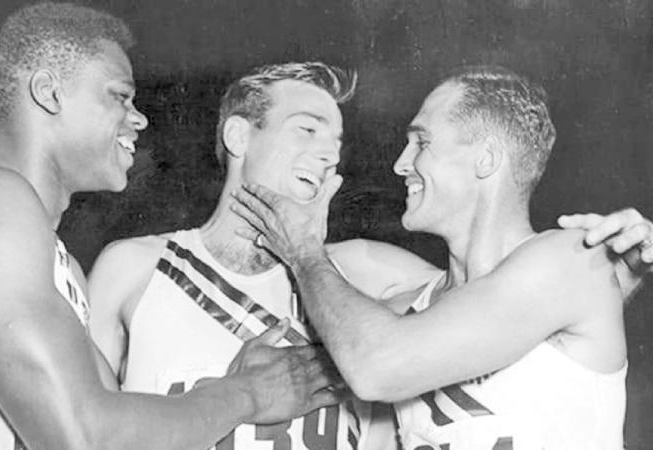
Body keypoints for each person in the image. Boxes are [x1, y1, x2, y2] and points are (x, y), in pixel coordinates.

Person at [0, 4, 340, 449]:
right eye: (119, 96)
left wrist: (227, 388)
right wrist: (244, 396)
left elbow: (122, 425)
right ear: (49, 92)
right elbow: (84, 436)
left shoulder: (50, 260)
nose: (140, 119)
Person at [231, 65, 653, 449]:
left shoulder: (570, 258)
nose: (400, 164)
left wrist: (303, 249)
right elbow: (337, 349)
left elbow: (378, 365)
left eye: (422, 142)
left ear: (485, 159)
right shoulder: (407, 311)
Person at [88, 62, 404, 449]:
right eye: (307, 129)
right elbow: (81, 433)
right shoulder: (134, 268)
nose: (328, 155)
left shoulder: (360, 275)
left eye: (336, 144)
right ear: (238, 136)